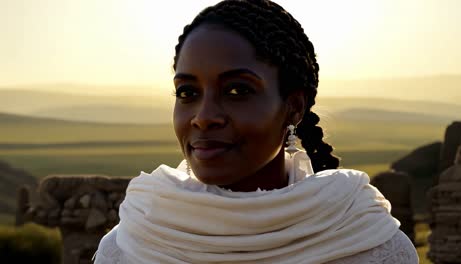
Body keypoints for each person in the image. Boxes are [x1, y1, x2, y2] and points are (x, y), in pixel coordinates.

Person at [94, 0, 418, 263]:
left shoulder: (369, 247)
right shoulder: (132, 246)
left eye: (237, 91)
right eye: (187, 93)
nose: (203, 117)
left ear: (293, 107)